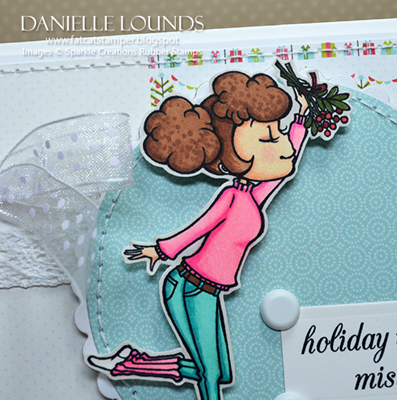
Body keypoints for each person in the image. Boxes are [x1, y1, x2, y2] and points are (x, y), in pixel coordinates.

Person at [87, 71, 309, 400]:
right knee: (211, 374)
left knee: (222, 373)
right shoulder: (230, 197)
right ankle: (130, 364)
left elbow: (283, 169)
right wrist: (161, 250)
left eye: (278, 133)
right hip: (189, 287)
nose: (283, 145)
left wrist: (301, 119)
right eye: (268, 139)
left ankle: (131, 363)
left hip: (206, 290)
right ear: (234, 158)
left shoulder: (252, 196)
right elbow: (199, 228)